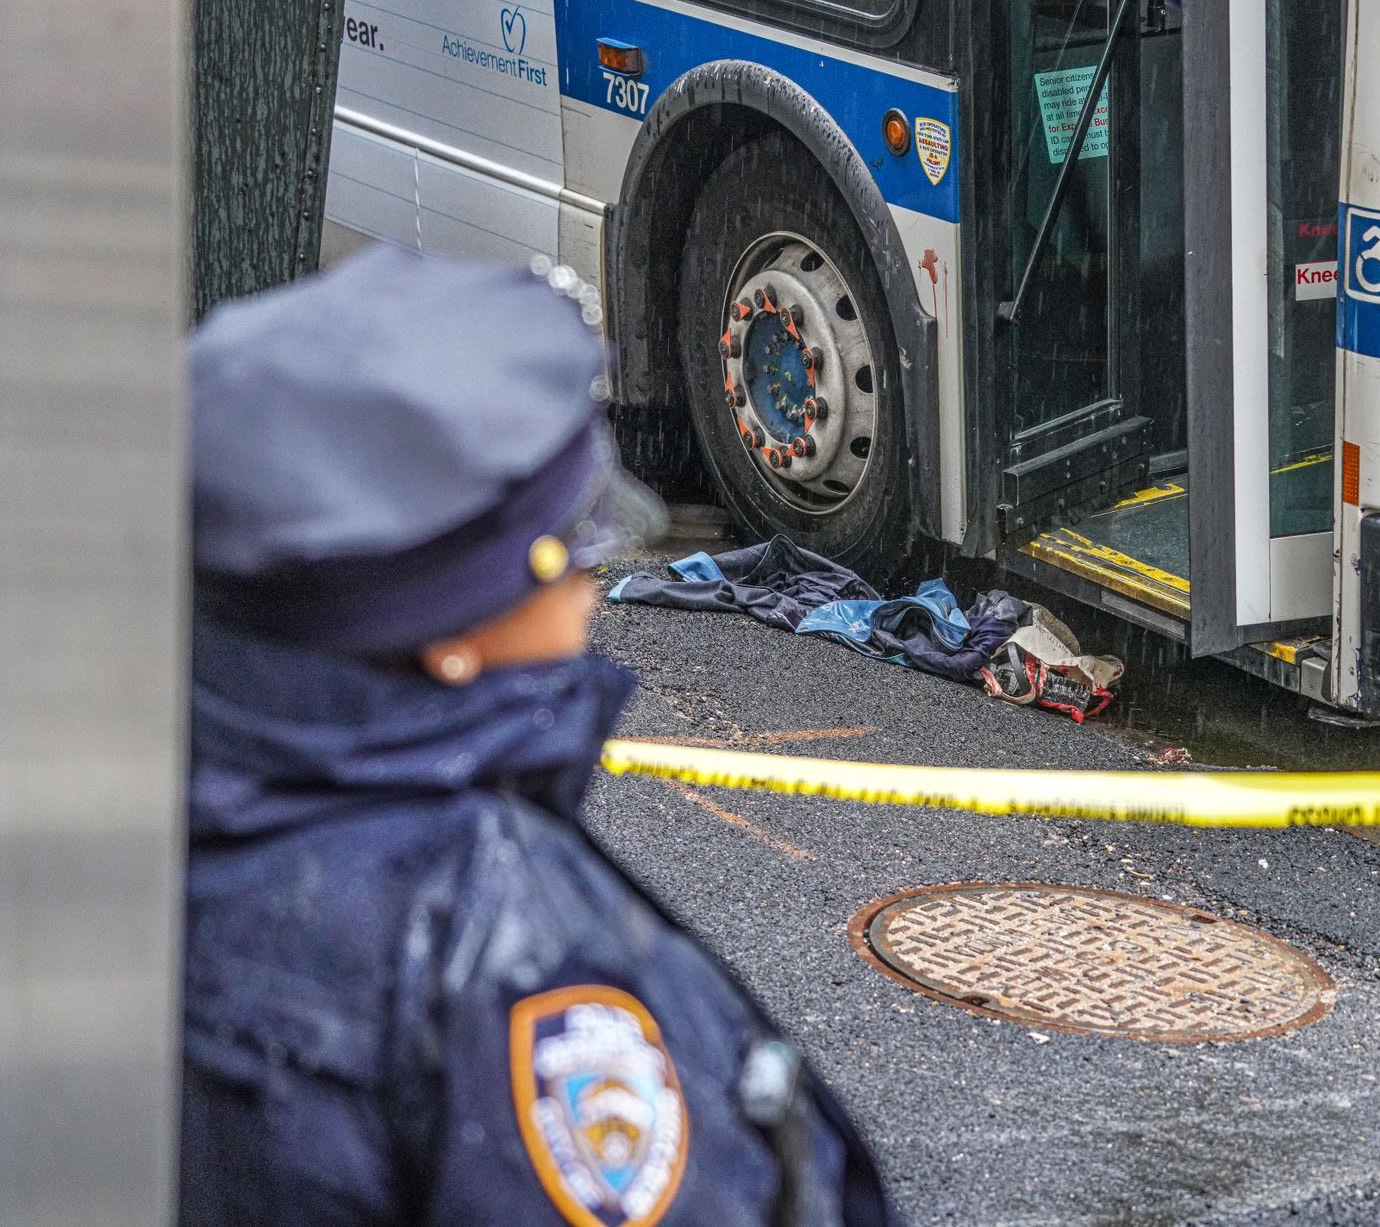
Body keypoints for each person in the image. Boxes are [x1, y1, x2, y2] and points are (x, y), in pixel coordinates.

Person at [178, 247, 896, 1227]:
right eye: (570, 551)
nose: (594, 586)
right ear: (445, 631)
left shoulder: (156, 770)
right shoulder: (510, 951)